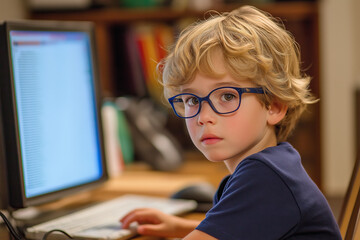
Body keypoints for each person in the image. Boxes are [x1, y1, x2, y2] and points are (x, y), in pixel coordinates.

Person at [120, 5, 342, 240]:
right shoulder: (271, 168)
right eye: (192, 99)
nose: (204, 116)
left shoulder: (266, 178)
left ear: (274, 106)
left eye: (227, 96)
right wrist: (179, 227)